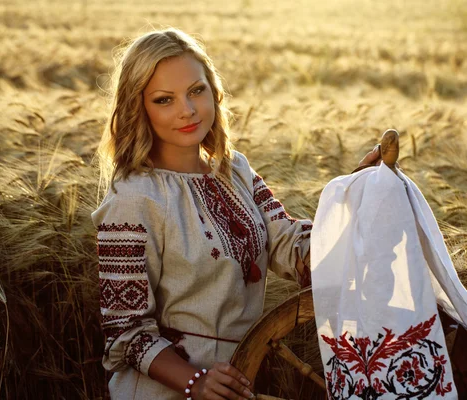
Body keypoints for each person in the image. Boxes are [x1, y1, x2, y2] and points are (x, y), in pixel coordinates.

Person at [92, 28, 381, 400]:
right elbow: (125, 332)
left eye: (197, 90)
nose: (188, 110)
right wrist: (195, 381)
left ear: (214, 91)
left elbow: (289, 245)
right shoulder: (133, 198)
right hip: (164, 392)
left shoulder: (235, 170)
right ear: (138, 107)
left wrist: (353, 197)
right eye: (165, 99)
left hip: (240, 382)